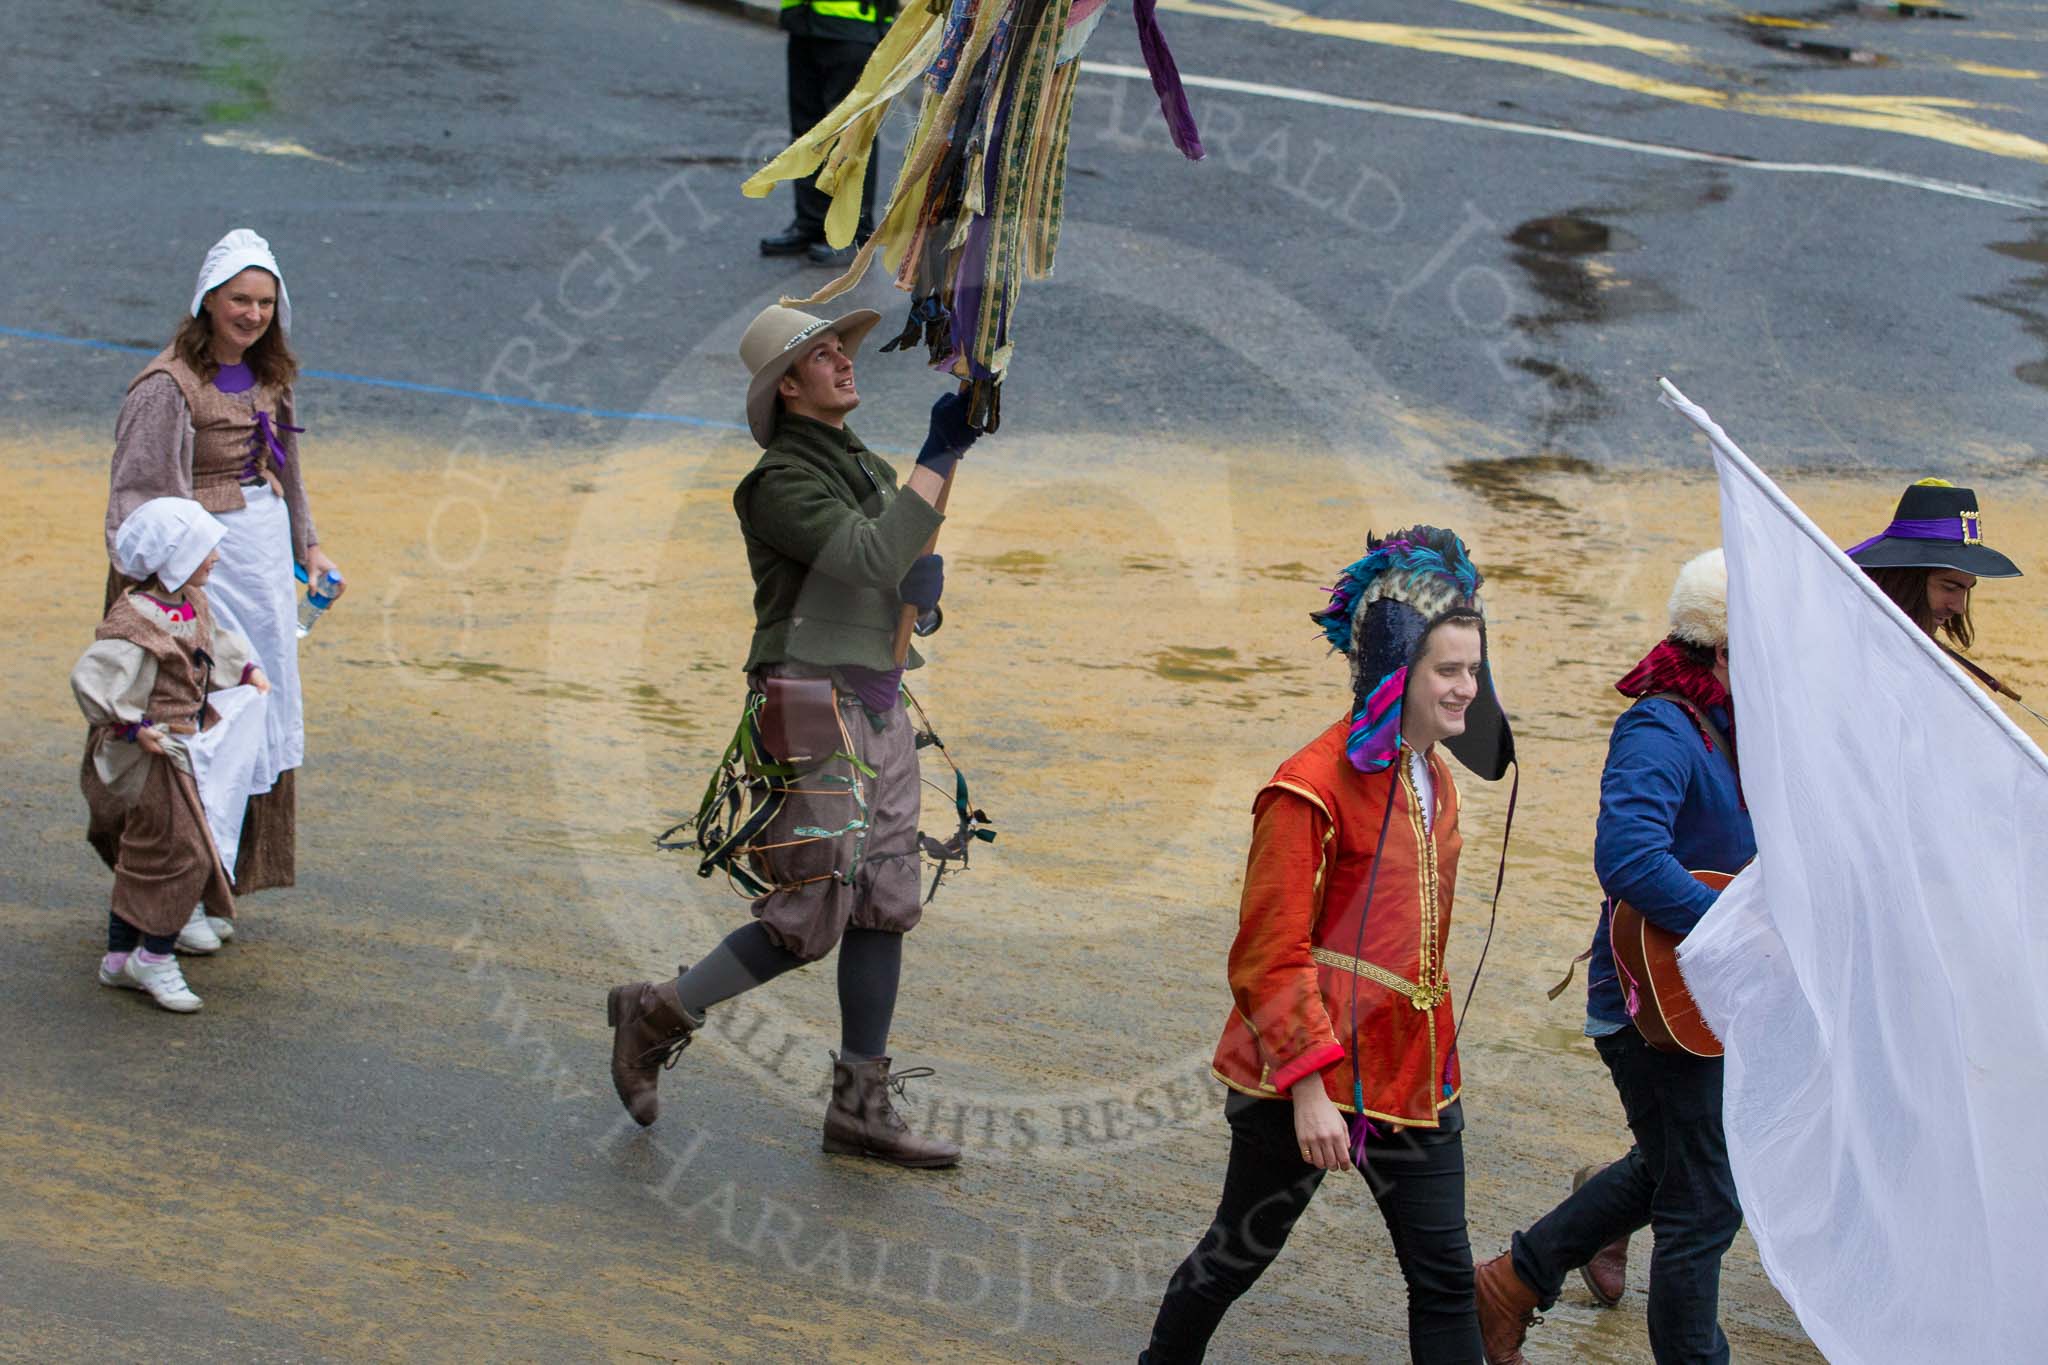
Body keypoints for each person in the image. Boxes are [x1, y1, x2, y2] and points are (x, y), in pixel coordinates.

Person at [605, 304, 974, 1168]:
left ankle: (859, 1107)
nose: (845, 358)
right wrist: (939, 455)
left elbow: (891, 571)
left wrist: (925, 583)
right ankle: (657, 1011)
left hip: (878, 701)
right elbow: (872, 554)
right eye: (822, 352)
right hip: (812, 705)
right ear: (788, 385)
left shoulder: (863, 464)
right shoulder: (775, 482)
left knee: (885, 898)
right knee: (809, 906)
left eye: (842, 346)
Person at [1142, 527, 1517, 1364]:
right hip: (1304, 1073)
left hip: (1415, 1070)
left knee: (1446, 1278)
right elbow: (1267, 951)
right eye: (1447, 670)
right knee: (1235, 1256)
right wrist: (1309, 1088)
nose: (1467, 689)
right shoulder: (1306, 787)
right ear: (1397, 670)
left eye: (1473, 668)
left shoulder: (1436, 772)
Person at [1477, 549, 1753, 1365]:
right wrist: (1728, 926)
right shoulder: (1663, 726)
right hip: (1655, 1003)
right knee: (1702, 1201)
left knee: (1673, 1169)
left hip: (1707, 995)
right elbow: (1630, 857)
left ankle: (1510, 1281)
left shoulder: (1741, 727)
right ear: (1721, 648)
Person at [104, 229, 341, 954]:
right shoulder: (167, 385)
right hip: (200, 565)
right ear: (208, 299)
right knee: (205, 715)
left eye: (265, 300)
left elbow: (287, 466)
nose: (253, 313)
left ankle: (217, 876)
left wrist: (309, 544)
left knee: (256, 714)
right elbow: (137, 503)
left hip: (262, 561)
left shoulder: (271, 376)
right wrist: (174, 584)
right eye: (240, 298)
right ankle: (175, 893)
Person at [75, 498, 272, 1013]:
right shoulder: (138, 618)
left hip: (184, 745)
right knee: (184, 850)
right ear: (178, 553)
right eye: (207, 549)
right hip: (153, 755)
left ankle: (120, 957)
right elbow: (96, 676)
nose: (216, 558)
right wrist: (132, 725)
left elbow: (214, 646)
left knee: (147, 850)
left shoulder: (190, 603)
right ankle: (156, 955)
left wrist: (244, 670)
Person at [756, 0, 893, 265]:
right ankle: (811, 222)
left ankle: (853, 235)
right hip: (804, 21)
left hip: (854, 25)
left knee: (851, 137)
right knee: (808, 133)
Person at [1847, 477, 2024, 668]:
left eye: (1966, 590)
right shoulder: (1840, 639)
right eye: (1949, 587)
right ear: (1904, 579)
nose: (1958, 608)